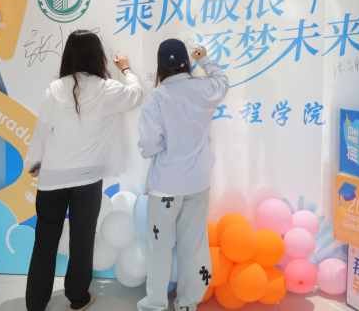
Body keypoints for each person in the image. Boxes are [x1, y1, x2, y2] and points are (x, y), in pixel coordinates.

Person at [23, 30, 144, 311]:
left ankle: (35, 304)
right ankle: (78, 298)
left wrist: (34, 163)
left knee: (45, 240)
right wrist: (126, 69)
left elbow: (42, 131)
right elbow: (137, 95)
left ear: (68, 55)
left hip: (53, 177)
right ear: (97, 55)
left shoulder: (54, 88)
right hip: (88, 179)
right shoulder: (108, 88)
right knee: (82, 238)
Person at [137, 40, 229, 311]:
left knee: (160, 248)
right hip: (197, 183)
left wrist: (167, 144)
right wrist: (205, 60)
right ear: (186, 63)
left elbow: (148, 146)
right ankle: (188, 304)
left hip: (165, 185)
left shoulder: (155, 97)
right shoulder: (205, 88)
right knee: (194, 246)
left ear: (159, 66)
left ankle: (154, 305)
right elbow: (223, 82)